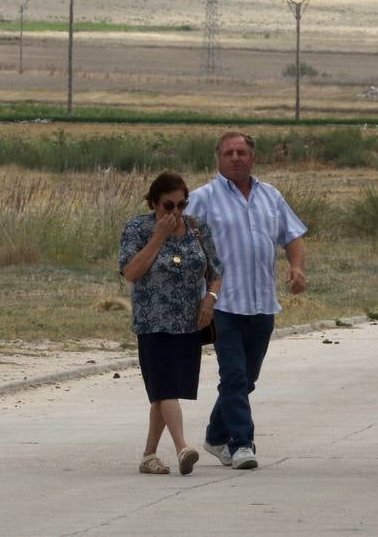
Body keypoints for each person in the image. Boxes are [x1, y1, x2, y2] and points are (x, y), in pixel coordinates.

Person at [187, 131, 308, 471]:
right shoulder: (203, 198)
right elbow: (183, 240)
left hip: (262, 303)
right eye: (229, 153)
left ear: (253, 157)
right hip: (222, 303)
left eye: (242, 152)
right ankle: (242, 443)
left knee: (246, 378)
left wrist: (296, 268)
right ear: (218, 158)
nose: (236, 158)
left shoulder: (271, 196)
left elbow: (293, 236)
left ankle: (215, 434)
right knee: (235, 376)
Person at [119, 171, 223, 476]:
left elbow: (216, 270)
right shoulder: (137, 228)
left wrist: (210, 299)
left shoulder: (197, 229)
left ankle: (148, 455)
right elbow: (131, 272)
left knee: (166, 391)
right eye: (168, 206)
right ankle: (182, 448)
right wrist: (158, 237)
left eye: (181, 205)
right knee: (165, 388)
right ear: (153, 203)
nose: (175, 212)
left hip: (189, 323)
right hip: (153, 323)